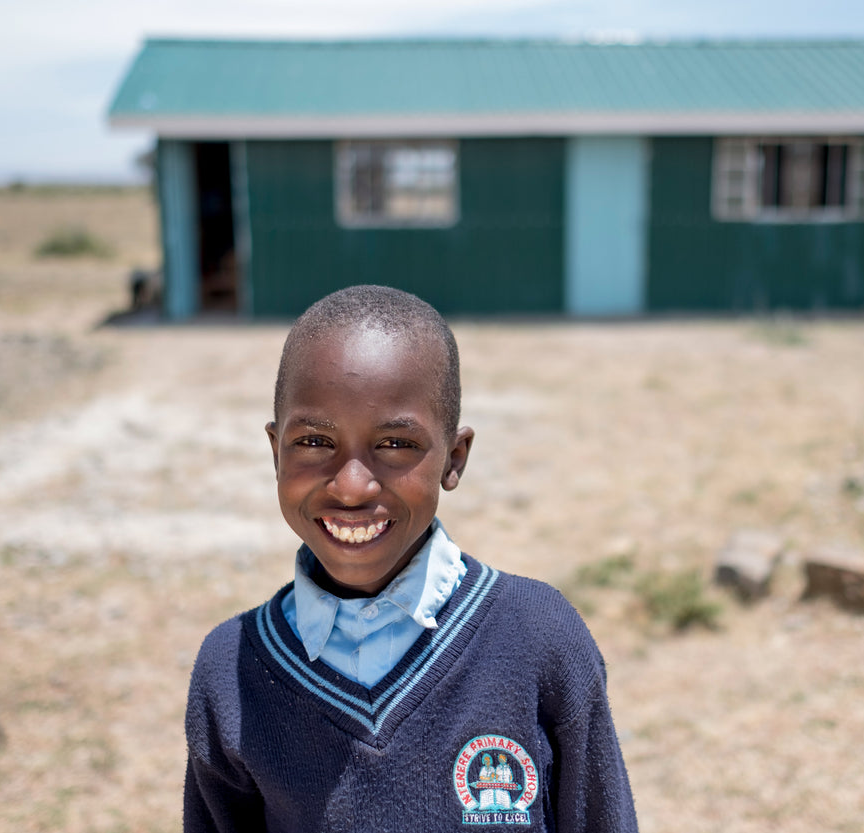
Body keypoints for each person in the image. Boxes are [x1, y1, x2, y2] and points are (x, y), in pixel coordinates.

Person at [182, 284, 637, 831]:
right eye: (314, 443)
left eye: (396, 445)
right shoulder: (231, 671)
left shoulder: (540, 638)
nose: (351, 486)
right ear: (275, 451)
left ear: (455, 458)